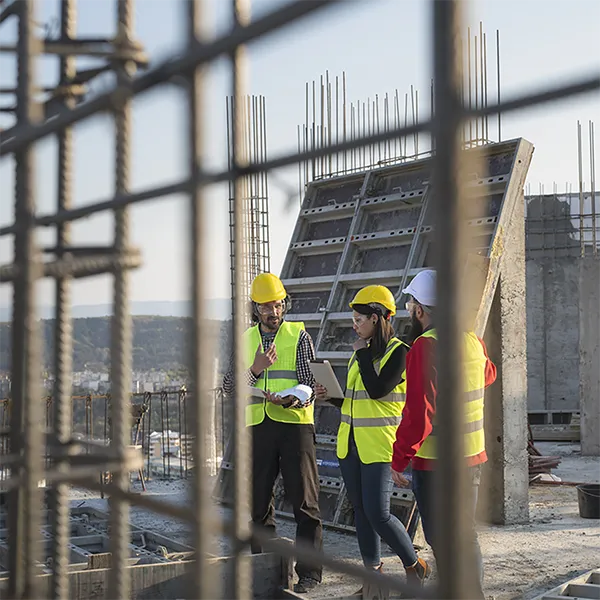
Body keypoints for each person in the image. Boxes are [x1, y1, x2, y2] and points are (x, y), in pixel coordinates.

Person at [315, 285, 430, 594]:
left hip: (380, 445)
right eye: (353, 319)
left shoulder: (399, 352)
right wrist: (332, 398)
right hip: (350, 444)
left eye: (359, 319)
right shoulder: (361, 354)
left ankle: (414, 566)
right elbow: (359, 399)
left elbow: (378, 390)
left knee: (378, 513)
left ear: (377, 318)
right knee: (362, 512)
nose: (355, 325)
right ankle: (374, 578)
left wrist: (363, 354)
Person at [390, 269, 497, 600]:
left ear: (420, 310)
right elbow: (488, 374)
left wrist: (399, 459)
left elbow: (419, 414)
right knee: (466, 535)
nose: (409, 309)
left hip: (436, 463)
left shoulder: (425, 346)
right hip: (472, 456)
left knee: (441, 538)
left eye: (410, 303)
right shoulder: (471, 340)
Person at [221, 272, 323, 594]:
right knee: (257, 505)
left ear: (285, 305)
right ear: (256, 308)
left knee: (304, 504)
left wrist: (296, 396)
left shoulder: (298, 336)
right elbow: (228, 388)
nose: (274, 312)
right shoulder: (246, 339)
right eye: (267, 307)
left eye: (278, 305)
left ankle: (308, 573)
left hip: (294, 426)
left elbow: (309, 381)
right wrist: (255, 369)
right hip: (258, 428)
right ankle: (263, 567)